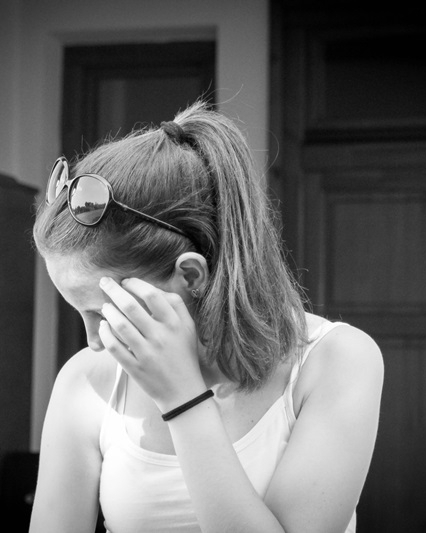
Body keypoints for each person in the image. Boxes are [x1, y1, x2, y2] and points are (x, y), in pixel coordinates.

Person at [28, 101, 383, 533]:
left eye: (107, 311)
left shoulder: (336, 360)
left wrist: (182, 399)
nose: (95, 342)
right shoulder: (85, 380)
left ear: (191, 276)